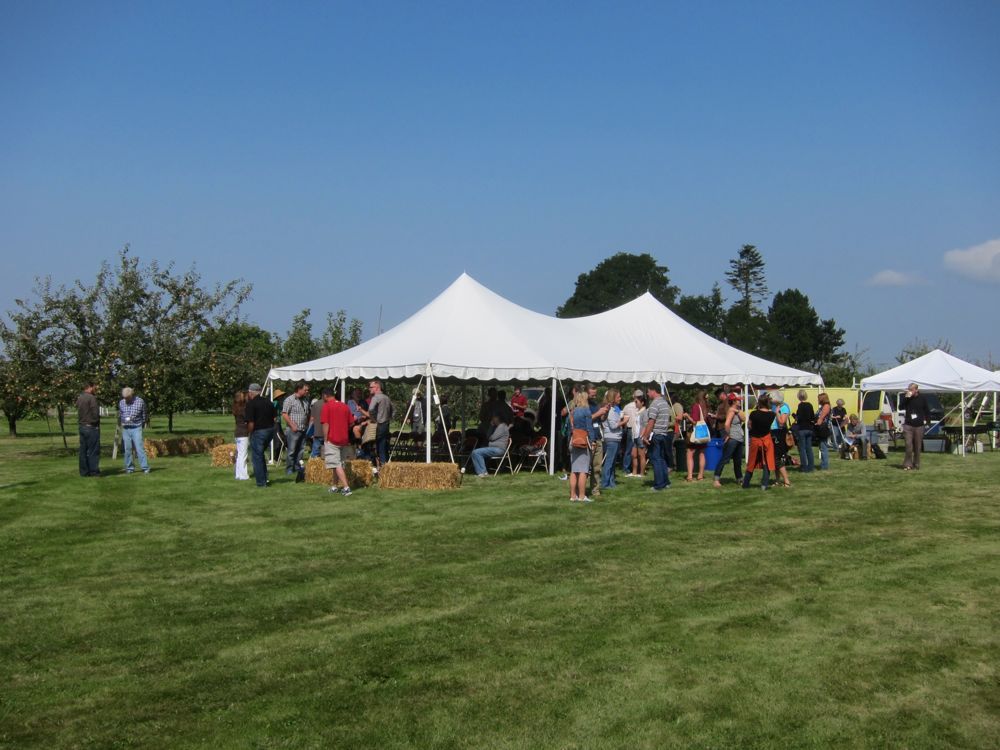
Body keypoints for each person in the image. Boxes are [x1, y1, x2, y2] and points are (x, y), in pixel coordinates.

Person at [320, 387, 355, 496]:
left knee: (336, 464)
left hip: (332, 439)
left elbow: (325, 424)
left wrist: (325, 438)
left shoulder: (327, 406)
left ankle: (346, 487)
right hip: (344, 439)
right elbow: (351, 423)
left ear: (325, 395)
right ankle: (334, 486)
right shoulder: (344, 406)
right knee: (338, 463)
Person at [641, 383, 673, 491]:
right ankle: (666, 481)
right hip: (664, 434)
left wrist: (645, 436)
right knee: (662, 459)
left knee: (656, 459)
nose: (648, 394)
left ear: (653, 390)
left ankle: (659, 484)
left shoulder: (655, 404)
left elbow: (651, 421)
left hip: (656, 434)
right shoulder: (665, 403)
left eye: (648, 391)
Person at [245, 383, 277, 488]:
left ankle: (261, 482)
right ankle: (265, 478)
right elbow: (275, 418)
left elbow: (251, 423)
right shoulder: (268, 402)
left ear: (251, 393)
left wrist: (249, 434)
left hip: (259, 432)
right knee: (260, 455)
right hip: (270, 430)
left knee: (257, 457)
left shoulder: (251, 404)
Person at [742, 394, 776, 490]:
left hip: (755, 440)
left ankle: (746, 484)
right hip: (766, 439)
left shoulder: (753, 414)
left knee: (751, 463)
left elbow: (749, 426)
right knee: (767, 462)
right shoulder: (771, 415)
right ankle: (764, 485)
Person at [713, 393, 745, 487]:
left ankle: (739, 479)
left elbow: (744, 419)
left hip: (739, 438)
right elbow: (726, 424)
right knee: (725, 459)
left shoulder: (736, 410)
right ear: (734, 401)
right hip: (733, 438)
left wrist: (737, 411)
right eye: (738, 400)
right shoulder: (731, 411)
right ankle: (716, 479)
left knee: (738, 460)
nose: (740, 401)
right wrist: (729, 435)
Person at [567, 390, 593, 502]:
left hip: (573, 441)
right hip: (583, 441)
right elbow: (589, 428)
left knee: (574, 470)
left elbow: (569, 429)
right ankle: (582, 496)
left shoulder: (572, 411)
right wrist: (592, 442)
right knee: (583, 470)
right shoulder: (586, 411)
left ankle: (573, 496)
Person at [118, 387, 150, 474]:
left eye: (127, 398)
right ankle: (129, 468)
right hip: (126, 428)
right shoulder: (121, 402)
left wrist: (143, 424)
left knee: (139, 448)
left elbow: (144, 414)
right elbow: (120, 414)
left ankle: (145, 467)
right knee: (127, 449)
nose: (126, 399)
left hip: (136, 427)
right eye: (124, 398)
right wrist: (122, 423)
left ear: (132, 395)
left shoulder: (140, 401)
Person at [281, 381, 311, 474]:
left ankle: (298, 467)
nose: (307, 391)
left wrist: (308, 425)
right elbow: (284, 413)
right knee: (291, 450)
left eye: (308, 390)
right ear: (299, 389)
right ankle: (289, 469)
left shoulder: (306, 400)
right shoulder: (289, 400)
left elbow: (307, 413)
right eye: (305, 390)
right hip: (293, 429)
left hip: (303, 428)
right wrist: (291, 424)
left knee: (300, 450)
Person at [361, 380, 392, 469]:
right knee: (383, 448)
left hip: (378, 425)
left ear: (377, 387)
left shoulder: (376, 397)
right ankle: (384, 469)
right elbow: (393, 411)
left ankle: (375, 468)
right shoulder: (387, 398)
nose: (369, 389)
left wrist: (373, 419)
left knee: (371, 447)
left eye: (371, 387)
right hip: (386, 425)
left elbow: (371, 409)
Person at [586, 384, 610, 498]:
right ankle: (580, 489)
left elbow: (601, 419)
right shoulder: (583, 405)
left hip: (598, 437)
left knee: (597, 467)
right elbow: (585, 419)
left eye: (595, 395)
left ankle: (595, 490)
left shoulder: (595, 404)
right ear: (586, 393)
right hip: (588, 439)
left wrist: (606, 412)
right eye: (592, 395)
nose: (594, 397)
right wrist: (598, 413)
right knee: (585, 467)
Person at [901, 382, 931, 470]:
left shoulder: (922, 398)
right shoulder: (907, 398)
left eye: (911, 390)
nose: (909, 391)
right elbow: (901, 406)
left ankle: (916, 463)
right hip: (908, 425)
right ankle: (907, 464)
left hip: (919, 425)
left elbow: (927, 410)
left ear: (916, 390)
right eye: (909, 389)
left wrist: (928, 422)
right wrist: (906, 398)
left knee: (917, 446)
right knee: (908, 445)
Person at [683, 390, 710, 481]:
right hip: (703, 433)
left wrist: (687, 416)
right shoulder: (706, 407)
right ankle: (700, 475)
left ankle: (690, 476)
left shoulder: (696, 406)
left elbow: (695, 421)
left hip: (696, 433)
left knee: (690, 453)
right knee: (702, 454)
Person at [76, 381, 101, 477]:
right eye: (95, 387)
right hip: (91, 427)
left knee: (83, 450)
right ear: (90, 387)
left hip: (82, 426)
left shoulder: (80, 397)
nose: (96, 389)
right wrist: (96, 422)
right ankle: (94, 471)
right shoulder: (92, 398)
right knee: (93, 450)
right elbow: (95, 413)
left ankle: (84, 471)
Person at [600, 389, 623, 489]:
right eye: (618, 397)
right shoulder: (609, 410)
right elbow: (613, 426)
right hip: (611, 438)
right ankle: (605, 483)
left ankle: (611, 482)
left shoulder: (615, 409)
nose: (620, 398)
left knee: (613, 462)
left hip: (616, 438)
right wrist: (624, 421)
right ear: (613, 398)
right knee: (609, 462)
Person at [769, 391, 793, 487]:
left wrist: (777, 413)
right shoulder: (775, 406)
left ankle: (786, 480)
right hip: (773, 432)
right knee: (774, 457)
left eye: (771, 398)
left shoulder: (784, 407)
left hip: (779, 433)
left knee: (777, 458)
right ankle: (777, 480)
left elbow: (782, 422)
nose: (770, 400)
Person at [621, 389, 643, 477]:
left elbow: (622, 417)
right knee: (635, 449)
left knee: (630, 449)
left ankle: (628, 468)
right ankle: (631, 468)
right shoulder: (641, 406)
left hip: (632, 429)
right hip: (636, 429)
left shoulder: (627, 406)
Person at [794, 389, 816, 473]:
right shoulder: (810, 405)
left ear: (799, 396)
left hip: (802, 428)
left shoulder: (800, 406)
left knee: (802, 449)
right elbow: (812, 417)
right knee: (809, 448)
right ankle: (811, 466)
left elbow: (798, 418)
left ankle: (804, 467)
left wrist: (795, 416)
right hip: (809, 428)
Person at [233, 390, 250, 480]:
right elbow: (248, 419)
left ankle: (238, 474)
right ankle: (243, 475)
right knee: (243, 455)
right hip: (243, 433)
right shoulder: (243, 409)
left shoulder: (236, 408)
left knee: (240, 455)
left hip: (237, 432)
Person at [814, 392, 832, 470]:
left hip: (823, 428)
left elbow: (821, 418)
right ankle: (823, 464)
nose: (818, 400)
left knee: (823, 447)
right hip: (822, 428)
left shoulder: (826, 406)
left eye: (819, 398)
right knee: (822, 447)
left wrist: (816, 424)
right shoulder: (823, 406)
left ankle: (824, 466)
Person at [309, 393, 325, 458]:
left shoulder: (316, 404)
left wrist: (310, 431)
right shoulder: (331, 403)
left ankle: (313, 463)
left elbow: (312, 419)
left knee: (315, 450)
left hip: (318, 430)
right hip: (328, 431)